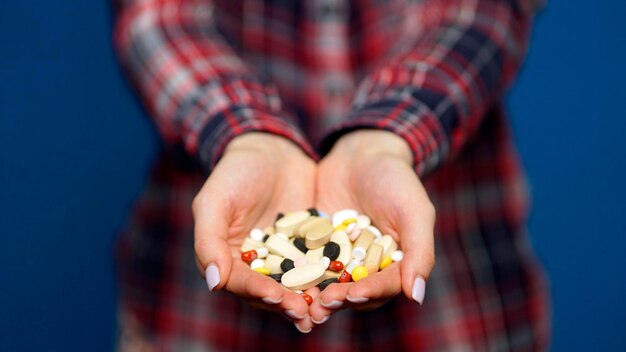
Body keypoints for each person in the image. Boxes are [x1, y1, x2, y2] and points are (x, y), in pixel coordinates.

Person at [113, 0, 550, 350]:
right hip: (197, 318)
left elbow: (479, 12)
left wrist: (386, 136)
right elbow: (158, 16)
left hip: (461, 301)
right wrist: (243, 134)